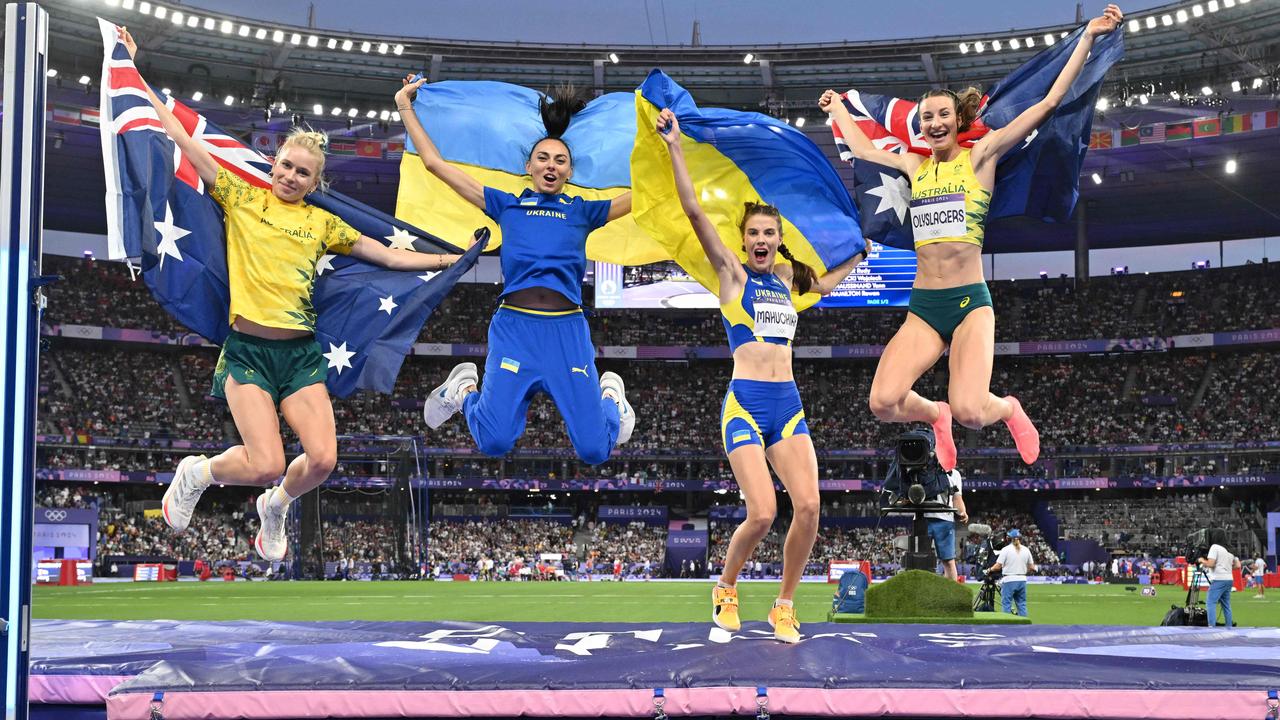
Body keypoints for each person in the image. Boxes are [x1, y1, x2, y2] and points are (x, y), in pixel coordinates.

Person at [123, 29, 464, 563]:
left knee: (323, 461)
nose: (289, 175)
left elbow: (390, 256)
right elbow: (182, 139)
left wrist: (449, 260)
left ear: (314, 182)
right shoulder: (240, 195)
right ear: (274, 162)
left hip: (300, 356)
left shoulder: (323, 224)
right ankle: (197, 473)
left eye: (302, 172)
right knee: (263, 461)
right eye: (284, 165)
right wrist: (134, 71)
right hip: (248, 352)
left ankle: (276, 506)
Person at [818, 5, 1124, 472]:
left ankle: (1010, 407)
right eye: (926, 118)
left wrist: (1086, 37)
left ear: (957, 120)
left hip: (968, 304)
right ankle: (932, 414)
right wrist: (838, 106)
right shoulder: (915, 166)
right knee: (882, 401)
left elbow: (1046, 104)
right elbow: (861, 147)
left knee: (973, 411)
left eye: (942, 114)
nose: (934, 123)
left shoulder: (981, 157)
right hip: (923, 306)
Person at [656, 109, 868, 643]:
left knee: (812, 506)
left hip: (788, 406)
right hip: (746, 405)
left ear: (778, 239)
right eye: (753, 232)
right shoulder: (731, 276)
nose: (761, 240)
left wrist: (857, 256)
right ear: (744, 237)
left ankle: (783, 605)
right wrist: (676, 146)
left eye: (769, 233)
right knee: (763, 512)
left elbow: (822, 286)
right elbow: (693, 212)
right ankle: (725, 588)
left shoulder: (789, 283)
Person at [395, 76, 636, 465]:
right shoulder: (506, 205)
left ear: (570, 172)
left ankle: (610, 395)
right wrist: (405, 105)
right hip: (515, 329)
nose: (551, 165)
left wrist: (674, 149)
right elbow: (435, 164)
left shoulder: (583, 211)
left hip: (566, 331)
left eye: (560, 160)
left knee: (594, 451)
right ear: (528, 167)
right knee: (494, 442)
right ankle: (464, 391)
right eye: (543, 158)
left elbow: (648, 194)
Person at [925, 468, 968, 581]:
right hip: (922, 517)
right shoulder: (921, 469)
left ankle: (951, 595)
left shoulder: (954, 474)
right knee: (919, 560)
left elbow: (957, 497)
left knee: (948, 561)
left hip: (945, 519)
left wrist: (962, 512)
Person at [988, 528, 1036, 616]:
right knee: (1022, 604)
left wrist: (989, 569)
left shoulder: (1006, 550)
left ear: (1009, 538)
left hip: (1009, 579)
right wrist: (1024, 570)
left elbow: (998, 566)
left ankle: (1007, 625)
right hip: (1022, 580)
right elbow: (1032, 567)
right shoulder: (1026, 550)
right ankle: (1024, 625)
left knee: (1006, 604)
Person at [1198, 532, 1241, 627]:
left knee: (1210, 602)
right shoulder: (1230, 550)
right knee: (1226, 604)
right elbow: (1238, 566)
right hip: (1229, 579)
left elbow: (1210, 564)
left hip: (1219, 579)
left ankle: (1211, 626)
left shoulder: (1215, 547)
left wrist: (1201, 560)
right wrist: (1226, 566)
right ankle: (1229, 626)